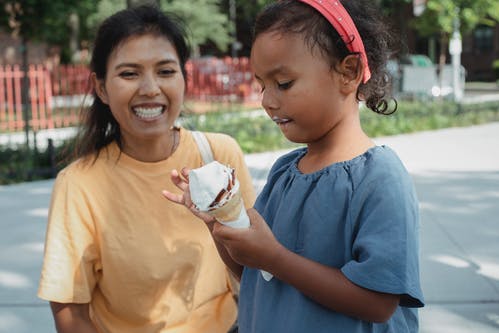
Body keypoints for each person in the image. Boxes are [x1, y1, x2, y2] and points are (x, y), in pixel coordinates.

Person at [164, 0, 424, 332]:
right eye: (262, 85)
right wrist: (218, 223)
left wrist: (275, 258)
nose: (267, 101)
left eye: (283, 83)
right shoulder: (285, 172)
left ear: (349, 72)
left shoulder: (380, 177)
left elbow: (379, 303)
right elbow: (256, 272)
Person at [37, 5, 255, 333]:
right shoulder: (79, 184)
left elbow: (253, 270)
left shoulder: (219, 154)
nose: (151, 88)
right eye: (129, 73)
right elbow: (71, 313)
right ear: (101, 88)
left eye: (166, 71)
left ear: (185, 77)